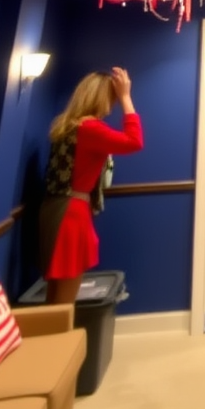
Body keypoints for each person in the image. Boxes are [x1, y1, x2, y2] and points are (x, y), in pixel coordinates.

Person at [40, 66, 143, 305]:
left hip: (54, 209)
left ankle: (55, 339)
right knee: (64, 303)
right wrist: (127, 97)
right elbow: (135, 141)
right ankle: (63, 341)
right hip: (72, 215)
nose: (114, 104)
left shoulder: (65, 125)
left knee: (54, 296)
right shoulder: (91, 129)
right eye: (112, 98)